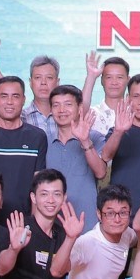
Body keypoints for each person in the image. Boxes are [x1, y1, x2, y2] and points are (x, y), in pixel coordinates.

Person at [0, 74, 49, 214]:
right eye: (4, 96)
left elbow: (38, 184)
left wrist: (33, 221)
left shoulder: (37, 137)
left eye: (15, 96)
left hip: (23, 218)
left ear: (23, 100)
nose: (9, 102)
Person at [43, 83, 107, 230]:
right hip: (53, 225)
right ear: (51, 110)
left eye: (68, 104)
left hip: (88, 223)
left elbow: (101, 172)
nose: (61, 110)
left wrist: (85, 141)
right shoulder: (44, 141)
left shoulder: (94, 137)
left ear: (80, 109)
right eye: (56, 105)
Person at [102, 71, 140, 199]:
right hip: (119, 205)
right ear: (128, 99)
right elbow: (106, 156)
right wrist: (118, 132)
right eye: (136, 96)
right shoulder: (117, 131)